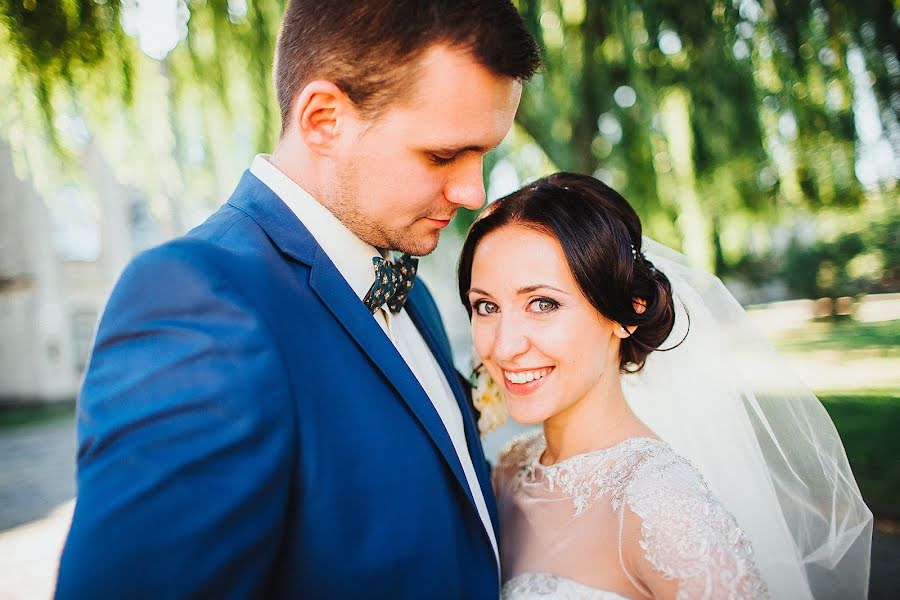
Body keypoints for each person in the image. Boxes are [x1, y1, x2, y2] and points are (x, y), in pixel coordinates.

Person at [55, 2, 540, 598]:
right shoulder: (199, 303)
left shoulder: (416, 301)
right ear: (323, 119)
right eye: (442, 155)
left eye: (484, 154)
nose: (473, 192)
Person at [458, 172, 873, 599]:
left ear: (627, 312)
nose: (504, 346)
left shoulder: (662, 506)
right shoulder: (510, 469)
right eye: (486, 306)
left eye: (542, 304)